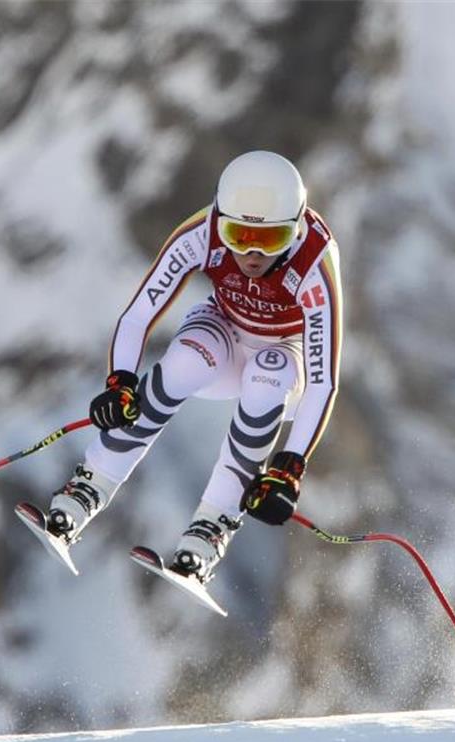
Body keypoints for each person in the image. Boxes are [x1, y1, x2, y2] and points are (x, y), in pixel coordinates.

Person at [43, 150, 342, 584]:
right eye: (238, 235)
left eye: (271, 239)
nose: (253, 253)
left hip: (285, 353)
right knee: (185, 358)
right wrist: (121, 382)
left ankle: (209, 531)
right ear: (221, 221)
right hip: (223, 330)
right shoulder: (201, 233)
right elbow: (139, 315)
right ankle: (87, 488)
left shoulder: (316, 262)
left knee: (267, 378)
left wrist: (289, 467)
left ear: (295, 231)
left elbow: (323, 381)